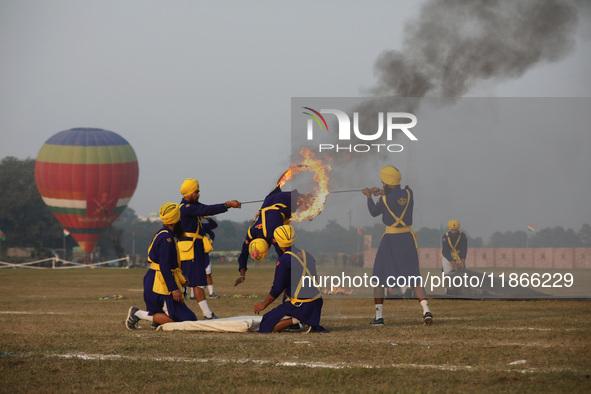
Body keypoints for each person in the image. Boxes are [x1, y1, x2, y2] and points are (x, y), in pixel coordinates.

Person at [362, 165, 433, 326]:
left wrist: (368, 197)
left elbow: (374, 212)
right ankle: (426, 310)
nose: (381, 183)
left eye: (383, 182)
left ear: (387, 182)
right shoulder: (409, 193)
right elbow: (396, 197)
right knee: (415, 277)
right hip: (407, 239)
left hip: (391, 240)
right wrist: (381, 192)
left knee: (379, 278)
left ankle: (379, 317)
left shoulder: (384, 200)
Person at [126, 203, 197, 330]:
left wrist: (181, 278)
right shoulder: (166, 239)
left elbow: (168, 265)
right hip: (159, 285)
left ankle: (158, 320)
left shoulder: (163, 233)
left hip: (157, 280)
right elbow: (164, 266)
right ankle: (137, 314)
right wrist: (174, 289)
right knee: (185, 323)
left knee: (190, 318)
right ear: (176, 221)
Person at [178, 178, 240, 319]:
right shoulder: (186, 208)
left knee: (194, 282)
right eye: (196, 192)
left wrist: (227, 205)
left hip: (195, 249)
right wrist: (227, 204)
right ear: (188, 193)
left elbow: (205, 209)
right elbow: (207, 209)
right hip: (191, 250)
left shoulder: (191, 207)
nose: (199, 194)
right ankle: (206, 314)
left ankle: (205, 314)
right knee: (195, 282)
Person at [254, 225, 327, 333]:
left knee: (265, 326)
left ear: (277, 241)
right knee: (286, 298)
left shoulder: (284, 260)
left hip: (301, 304)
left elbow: (277, 288)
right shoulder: (307, 254)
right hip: (316, 303)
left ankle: (298, 320)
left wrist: (264, 304)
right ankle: (303, 319)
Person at [234, 186, 311, 287]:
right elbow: (243, 254)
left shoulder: (272, 234)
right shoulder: (251, 233)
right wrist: (242, 275)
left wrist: (280, 281)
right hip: (270, 199)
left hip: (285, 200)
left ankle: (309, 202)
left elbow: (284, 256)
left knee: (309, 210)